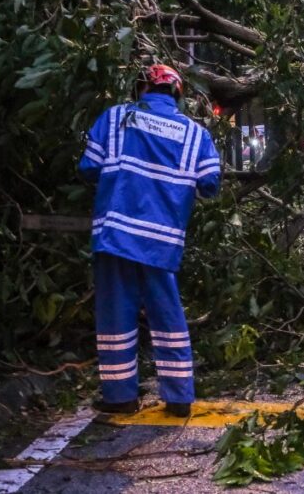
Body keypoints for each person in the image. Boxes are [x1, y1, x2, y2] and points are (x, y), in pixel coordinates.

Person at [78, 65, 221, 417]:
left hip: (116, 233)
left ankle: (120, 397)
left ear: (141, 88)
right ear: (178, 94)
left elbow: (88, 168)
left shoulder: (115, 118)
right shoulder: (195, 133)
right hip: (161, 240)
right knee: (167, 314)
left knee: (116, 315)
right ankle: (179, 398)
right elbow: (210, 184)